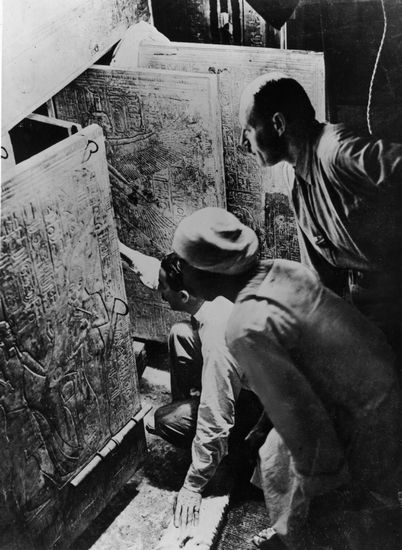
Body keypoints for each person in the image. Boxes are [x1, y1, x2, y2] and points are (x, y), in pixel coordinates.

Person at [171, 206, 402, 550]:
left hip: (361, 416)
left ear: (207, 273)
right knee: (275, 453)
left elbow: (306, 428)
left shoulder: (246, 326)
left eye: (184, 262)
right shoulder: (282, 270)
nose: (179, 269)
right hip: (382, 381)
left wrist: (307, 507)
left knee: (296, 477)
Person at [238, 72, 402, 372]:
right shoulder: (293, 175)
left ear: (278, 124)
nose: (243, 143)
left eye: (248, 130)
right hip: (365, 309)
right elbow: (319, 273)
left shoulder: (336, 151)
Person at [119, 241, 261, 531]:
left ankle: (228, 453)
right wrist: (119, 248)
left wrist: (193, 486)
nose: (160, 293)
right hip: (251, 384)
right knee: (181, 333)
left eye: (164, 290)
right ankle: (193, 414)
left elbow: (216, 419)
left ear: (183, 296)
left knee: (166, 420)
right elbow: (158, 271)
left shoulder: (218, 337)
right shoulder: (209, 288)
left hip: (264, 414)